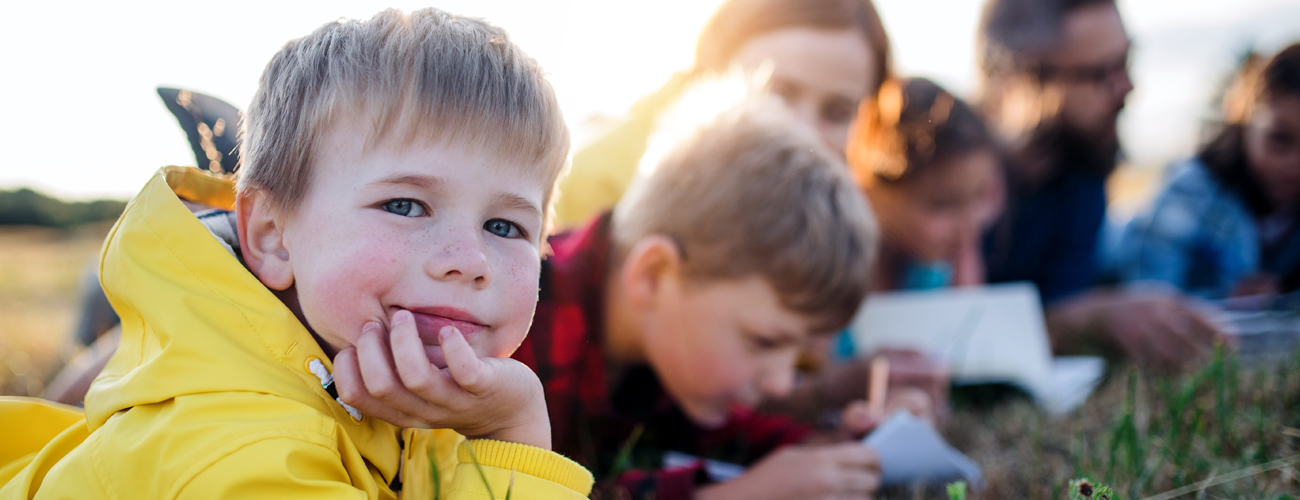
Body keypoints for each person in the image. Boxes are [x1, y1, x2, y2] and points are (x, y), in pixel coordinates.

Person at [0, 8, 593, 499]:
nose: (469, 259)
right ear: (272, 236)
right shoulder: (243, 449)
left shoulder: (402, 398)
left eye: (504, 225)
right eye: (406, 205)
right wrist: (512, 435)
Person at [529, 93, 890, 499]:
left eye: (797, 356)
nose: (781, 384)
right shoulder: (516, 322)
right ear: (653, 276)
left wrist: (827, 448)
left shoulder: (672, 343)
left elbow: (734, 434)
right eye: (765, 342)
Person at [976, 0, 1221, 368]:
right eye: (1101, 73)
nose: (1128, 87)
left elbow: (1063, 299)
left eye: (1126, 61)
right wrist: (1092, 320)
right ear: (1022, 81)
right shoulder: (950, 175)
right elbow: (947, 330)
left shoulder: (1081, 173)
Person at [553, 0, 892, 228]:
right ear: (714, 64)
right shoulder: (600, 182)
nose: (804, 133)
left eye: (837, 113)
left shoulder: (843, 213)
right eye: (776, 93)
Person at [1116, 43, 1300, 299]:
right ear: (1244, 122)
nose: (1295, 162)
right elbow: (1144, 291)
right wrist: (1224, 300)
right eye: (1280, 139)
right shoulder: (1188, 192)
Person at [848, 78, 1003, 292]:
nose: (968, 227)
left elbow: (968, 305)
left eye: (980, 195)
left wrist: (965, 262)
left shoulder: (941, 259)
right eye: (943, 204)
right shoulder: (841, 263)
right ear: (872, 191)